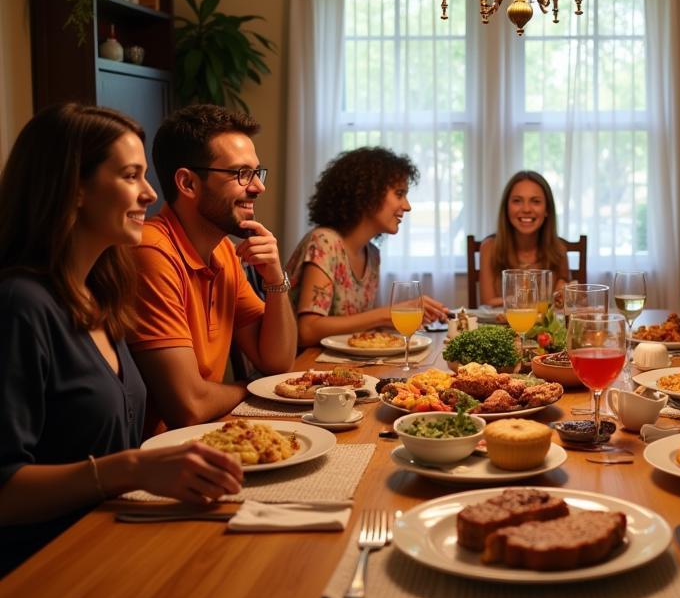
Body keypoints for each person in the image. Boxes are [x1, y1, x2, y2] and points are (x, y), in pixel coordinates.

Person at [0, 104, 243, 579]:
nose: (151, 194)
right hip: (44, 571)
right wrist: (131, 468)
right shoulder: (20, 306)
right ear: (73, 189)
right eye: (131, 176)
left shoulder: (101, 294)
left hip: (116, 539)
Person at [129, 105, 297, 433]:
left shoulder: (222, 250)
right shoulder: (151, 251)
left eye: (257, 173)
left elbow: (277, 362)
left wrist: (276, 279)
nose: (258, 188)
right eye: (240, 174)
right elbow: (189, 407)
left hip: (207, 437)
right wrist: (253, 387)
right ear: (188, 183)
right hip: (163, 459)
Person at [285, 146, 447, 348]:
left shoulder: (372, 254)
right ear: (368, 194)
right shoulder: (324, 243)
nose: (407, 206)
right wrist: (385, 314)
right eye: (399, 194)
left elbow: (358, 331)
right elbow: (308, 330)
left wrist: (394, 318)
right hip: (300, 369)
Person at [478, 170, 571, 307]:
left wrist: (564, 292)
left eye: (535, 201)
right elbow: (488, 302)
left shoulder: (559, 248)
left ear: (547, 210)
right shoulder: (489, 247)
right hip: (503, 327)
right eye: (517, 201)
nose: (526, 209)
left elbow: (563, 303)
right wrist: (541, 301)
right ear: (506, 208)